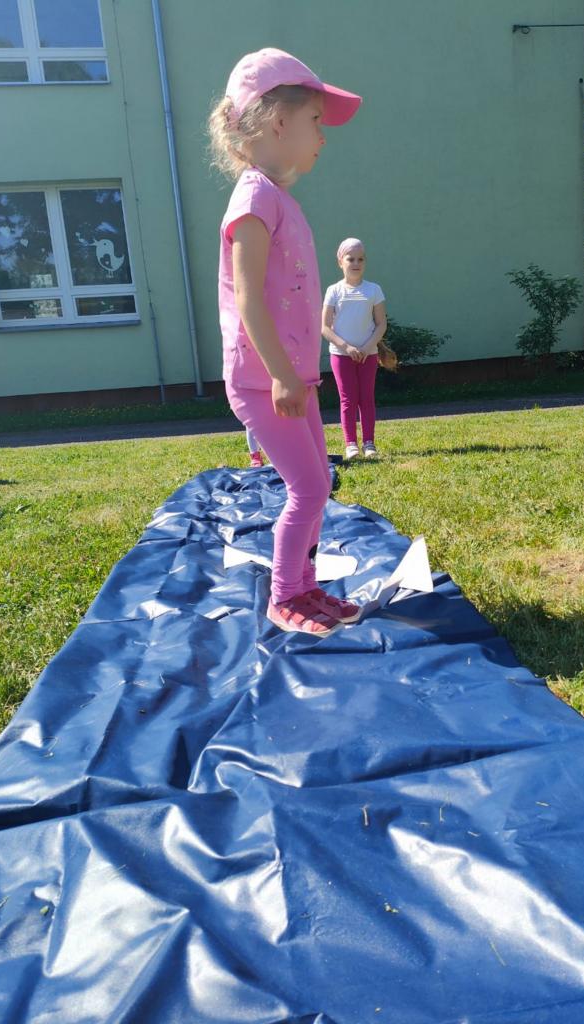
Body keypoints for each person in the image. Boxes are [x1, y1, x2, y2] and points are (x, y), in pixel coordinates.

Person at [209, 47, 363, 636]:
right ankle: (284, 596)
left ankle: (305, 585)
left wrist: (294, 374)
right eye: (315, 121)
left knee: (318, 484)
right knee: (308, 488)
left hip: (292, 377)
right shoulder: (252, 200)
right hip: (263, 379)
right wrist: (279, 374)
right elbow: (247, 298)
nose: (323, 135)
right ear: (279, 122)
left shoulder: (277, 199)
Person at [322, 239, 387, 459]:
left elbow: (381, 324)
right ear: (340, 262)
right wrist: (347, 347)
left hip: (369, 355)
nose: (356, 263)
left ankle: (369, 444)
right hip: (341, 356)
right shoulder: (333, 291)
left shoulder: (374, 290)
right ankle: (351, 444)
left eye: (360, 259)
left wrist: (368, 347)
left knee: (366, 398)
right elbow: (324, 327)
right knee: (348, 399)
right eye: (351, 259)